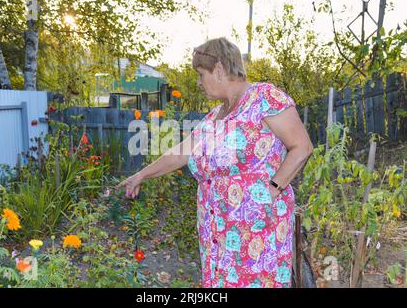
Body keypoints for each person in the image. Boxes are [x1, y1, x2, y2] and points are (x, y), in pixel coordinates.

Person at [116, 37, 313, 288]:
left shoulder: (265, 98)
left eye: (201, 74)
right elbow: (181, 153)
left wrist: (272, 191)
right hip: (217, 233)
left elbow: (302, 147)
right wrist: (140, 175)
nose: (199, 82)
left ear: (219, 70)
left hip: (257, 230)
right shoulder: (215, 117)